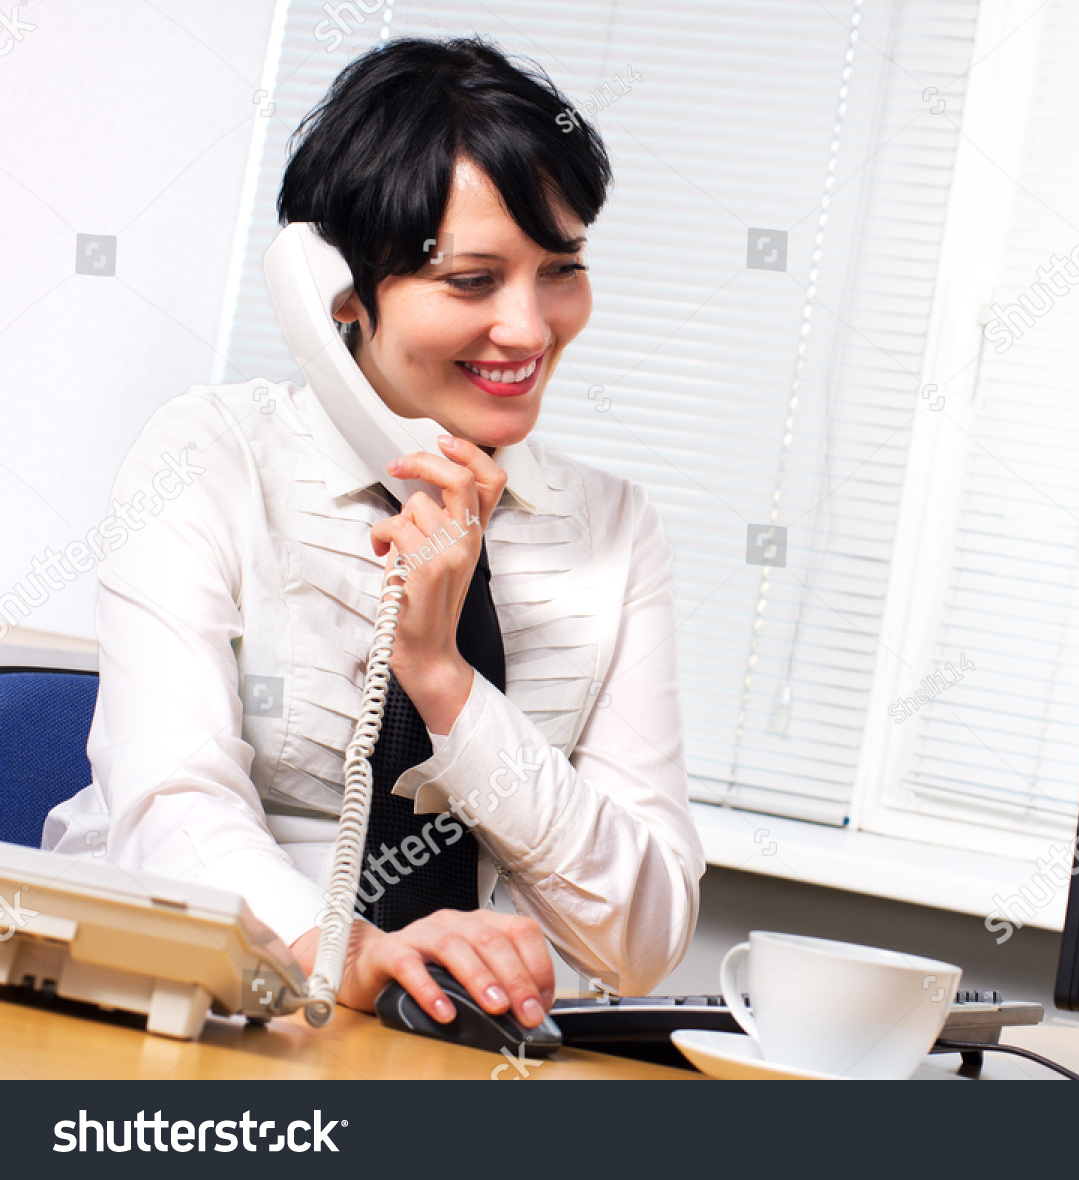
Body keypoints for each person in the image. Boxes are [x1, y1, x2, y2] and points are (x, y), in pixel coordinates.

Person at [42, 36, 704, 1032]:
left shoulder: (612, 530)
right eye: (473, 281)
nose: (529, 330)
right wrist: (351, 951)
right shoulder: (210, 457)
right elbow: (167, 808)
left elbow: (645, 934)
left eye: (558, 269)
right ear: (337, 295)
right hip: (194, 1022)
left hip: (453, 1050)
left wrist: (446, 683)